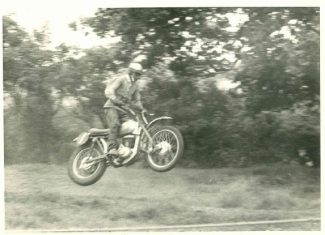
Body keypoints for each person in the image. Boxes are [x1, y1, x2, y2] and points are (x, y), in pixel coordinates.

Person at [103, 62, 145, 157]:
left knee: (132, 126)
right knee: (115, 124)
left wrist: (142, 109)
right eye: (137, 74)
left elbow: (137, 100)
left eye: (139, 75)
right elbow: (109, 90)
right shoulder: (122, 79)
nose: (138, 77)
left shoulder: (135, 86)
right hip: (111, 107)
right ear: (131, 72)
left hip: (122, 110)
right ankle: (111, 148)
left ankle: (123, 150)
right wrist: (115, 99)